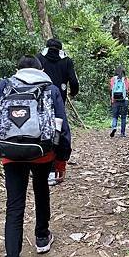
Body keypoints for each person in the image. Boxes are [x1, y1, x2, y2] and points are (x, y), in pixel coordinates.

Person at [0, 55, 71, 257]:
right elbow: (61, 127)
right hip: (42, 152)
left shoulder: (5, 85)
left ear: (17, 69)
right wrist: (61, 159)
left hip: (10, 154)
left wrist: (12, 134)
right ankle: (42, 237)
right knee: (41, 189)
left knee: (14, 207)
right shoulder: (50, 88)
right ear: (41, 69)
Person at [37, 38, 79, 184]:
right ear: (60, 48)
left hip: (40, 102)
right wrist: (73, 93)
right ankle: (56, 167)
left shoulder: (39, 58)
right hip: (58, 100)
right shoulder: (66, 60)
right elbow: (74, 81)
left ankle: (40, 165)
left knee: (42, 131)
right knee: (60, 131)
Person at [109, 66, 129, 138]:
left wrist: (111, 100)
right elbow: (127, 90)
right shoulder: (126, 80)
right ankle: (122, 133)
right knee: (123, 117)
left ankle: (114, 128)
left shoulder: (113, 79)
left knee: (115, 116)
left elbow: (111, 90)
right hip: (124, 100)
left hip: (115, 100)